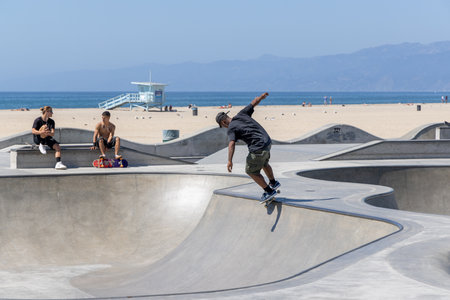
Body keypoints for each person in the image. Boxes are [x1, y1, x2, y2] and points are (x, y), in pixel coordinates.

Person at [216, 92, 281, 202]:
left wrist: (229, 161)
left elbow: (231, 144)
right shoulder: (242, 114)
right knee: (263, 163)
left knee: (251, 171)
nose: (224, 127)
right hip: (267, 142)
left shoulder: (231, 128)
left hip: (258, 147)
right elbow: (254, 102)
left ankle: (269, 191)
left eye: (223, 126)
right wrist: (261, 96)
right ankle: (273, 182)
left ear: (223, 122)